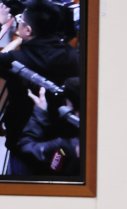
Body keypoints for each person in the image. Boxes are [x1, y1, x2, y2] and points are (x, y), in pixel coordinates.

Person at [0, 0, 79, 176]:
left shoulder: (16, 60)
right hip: (63, 143)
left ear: (28, 30)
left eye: (20, 20)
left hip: (25, 142)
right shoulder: (75, 57)